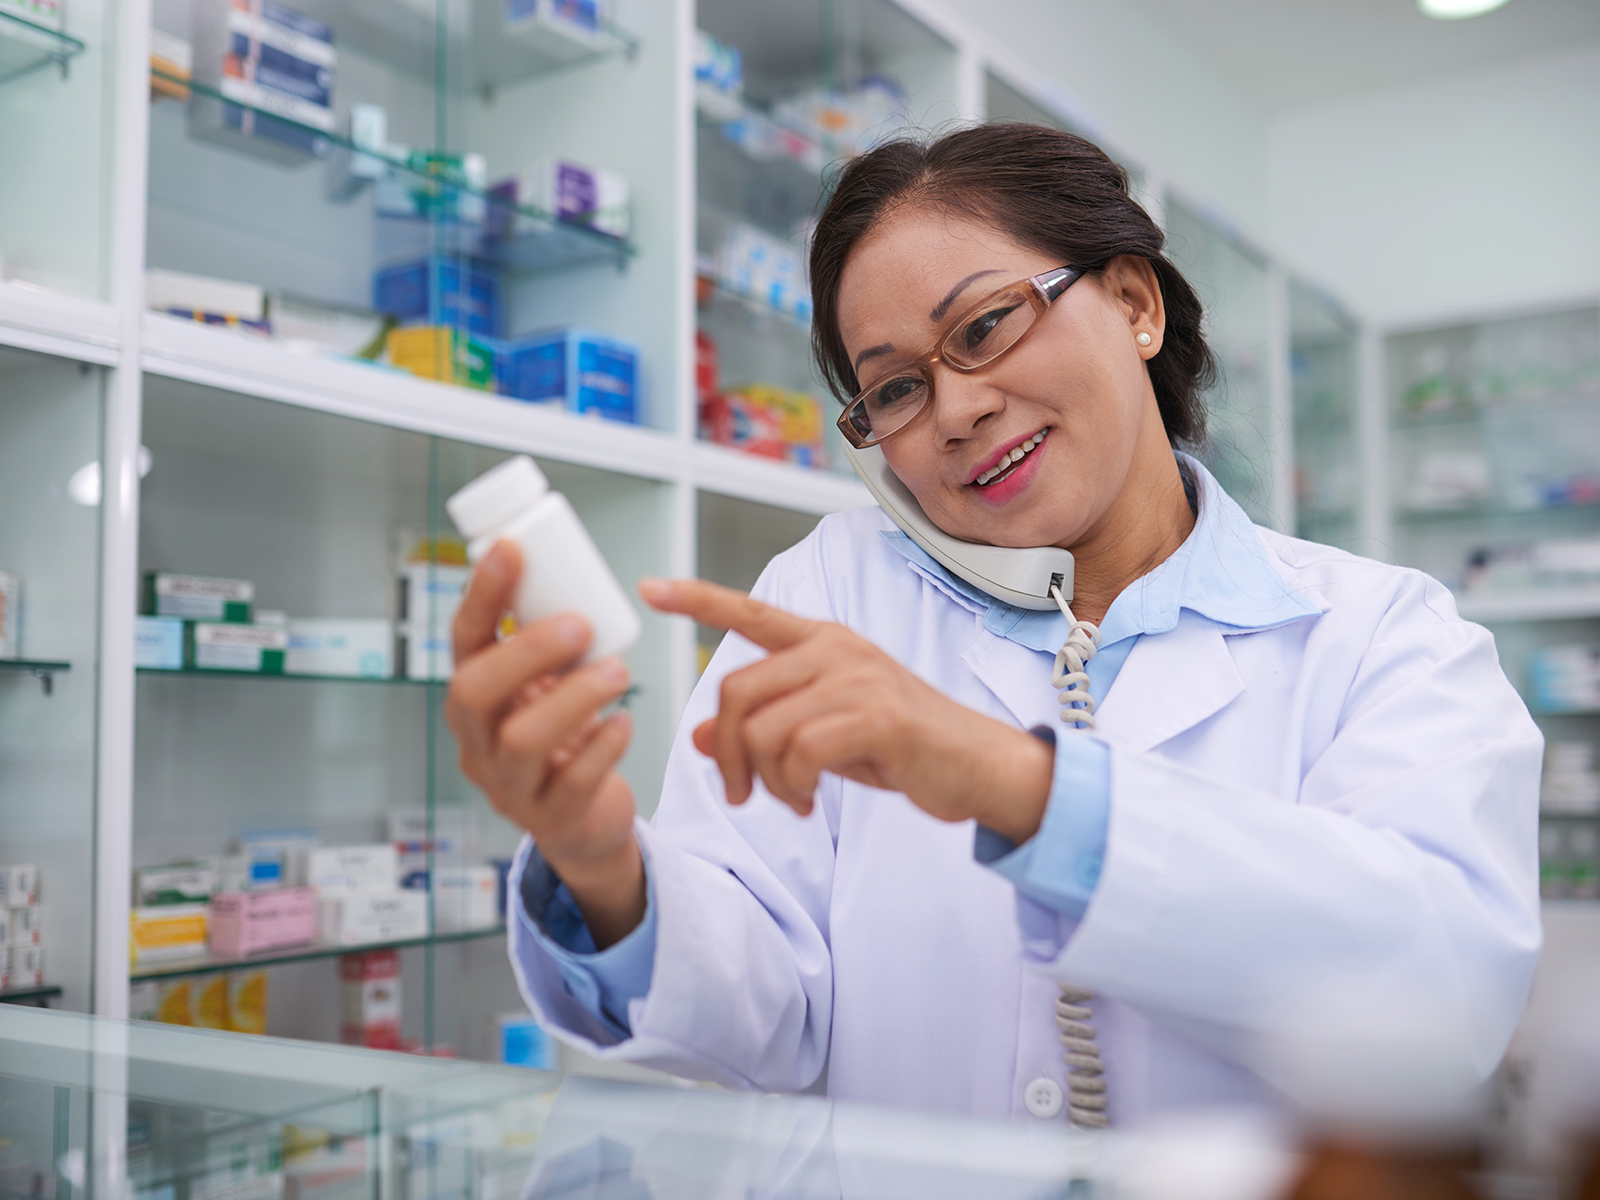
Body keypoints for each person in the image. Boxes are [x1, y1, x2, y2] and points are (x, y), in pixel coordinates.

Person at [447, 124, 1542, 1125]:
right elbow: (765, 1014)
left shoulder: (1380, 635)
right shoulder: (830, 591)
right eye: (895, 391)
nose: (957, 411)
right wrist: (602, 869)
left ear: (1133, 304)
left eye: (983, 326)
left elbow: (1437, 1006)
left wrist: (1019, 787)